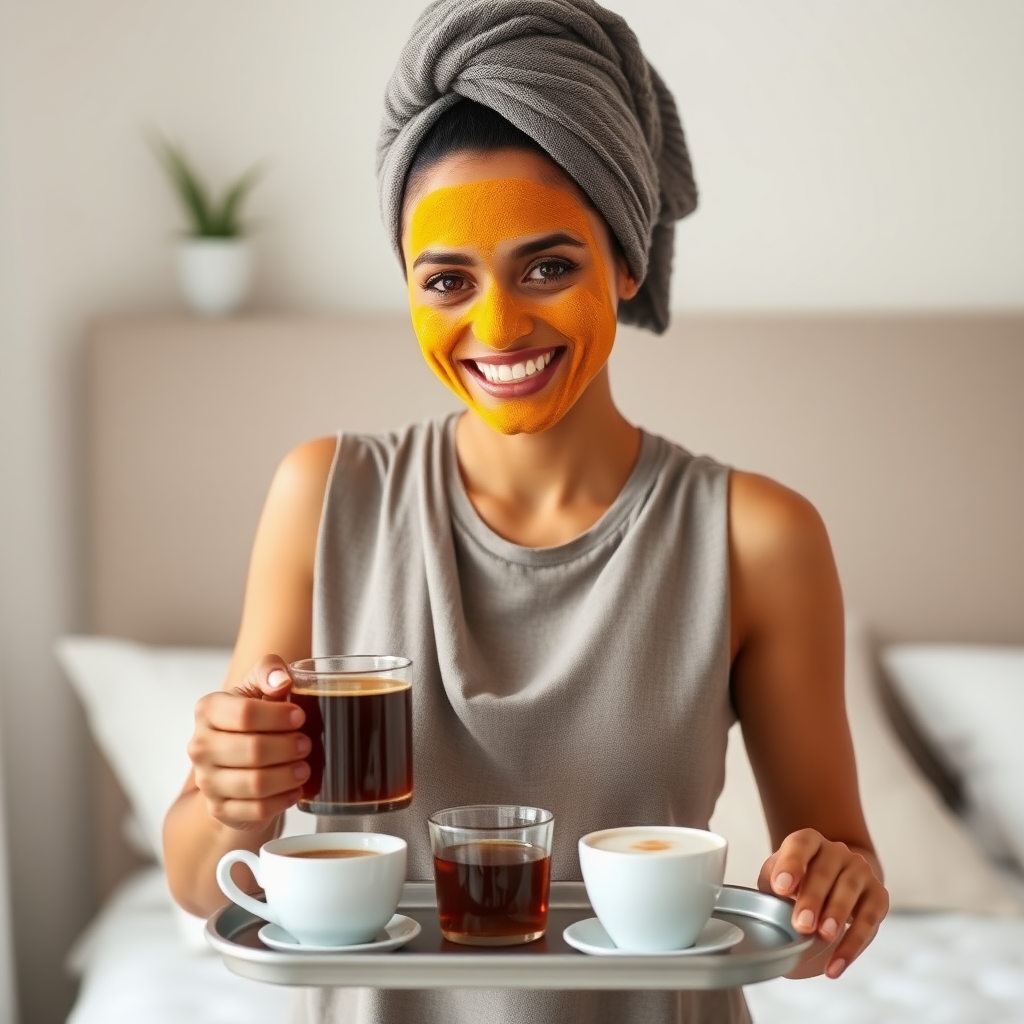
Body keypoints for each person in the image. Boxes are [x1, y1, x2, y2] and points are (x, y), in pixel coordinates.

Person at [164, 1, 889, 1021]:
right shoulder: (325, 496)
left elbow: (816, 925)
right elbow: (200, 880)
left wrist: (833, 888)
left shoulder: (756, 537)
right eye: (446, 280)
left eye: (548, 266)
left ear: (624, 261)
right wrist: (231, 797)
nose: (495, 327)